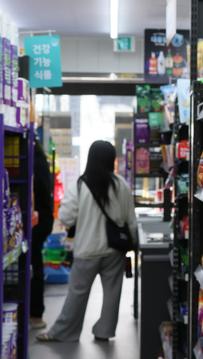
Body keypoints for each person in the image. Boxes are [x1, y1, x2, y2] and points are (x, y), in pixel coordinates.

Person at [36, 140, 137, 342]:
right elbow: (131, 221)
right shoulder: (121, 185)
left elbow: (66, 217)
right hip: (114, 250)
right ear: (111, 159)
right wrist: (133, 244)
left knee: (77, 293)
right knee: (112, 294)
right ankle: (104, 332)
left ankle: (64, 333)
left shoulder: (79, 185)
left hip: (86, 250)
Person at [30, 138, 54, 329]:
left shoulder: (35, 162)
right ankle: (35, 313)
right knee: (34, 264)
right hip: (42, 219)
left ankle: (36, 314)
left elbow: (39, 189)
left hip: (38, 221)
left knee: (34, 265)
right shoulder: (39, 160)